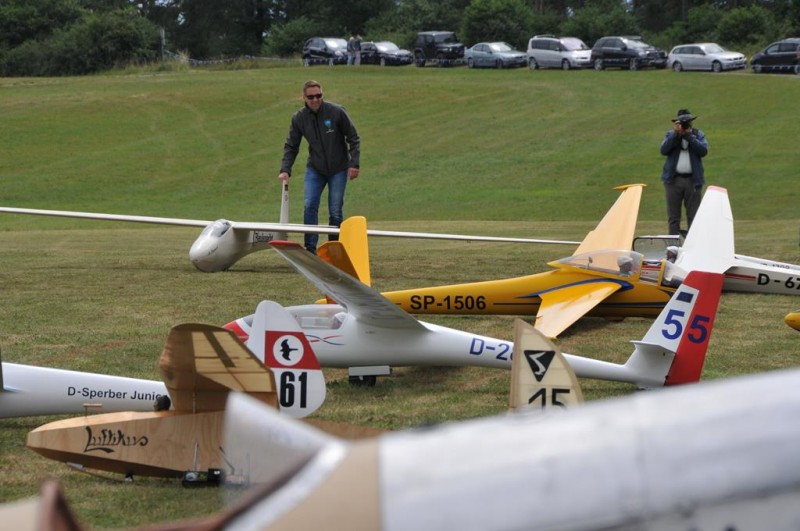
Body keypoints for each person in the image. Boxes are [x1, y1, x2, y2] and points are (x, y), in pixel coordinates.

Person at [279, 80, 361, 254]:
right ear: (304, 98)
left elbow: (353, 138)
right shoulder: (299, 118)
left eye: (319, 95)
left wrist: (354, 164)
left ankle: (334, 250)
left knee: (335, 210)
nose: (315, 99)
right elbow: (291, 146)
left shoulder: (336, 112)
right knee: (310, 205)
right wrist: (285, 169)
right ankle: (310, 249)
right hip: (315, 169)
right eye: (311, 97)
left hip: (339, 168)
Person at [660, 109, 708, 237]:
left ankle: (693, 243)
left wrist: (689, 137)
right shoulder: (671, 135)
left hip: (693, 180)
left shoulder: (698, 135)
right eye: (683, 123)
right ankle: (673, 245)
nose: (686, 125)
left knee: (694, 216)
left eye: (688, 122)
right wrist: (675, 135)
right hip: (673, 181)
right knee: (673, 217)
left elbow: (703, 151)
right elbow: (664, 150)